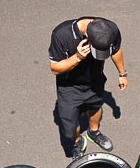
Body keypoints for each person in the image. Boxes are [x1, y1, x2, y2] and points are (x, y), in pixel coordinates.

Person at [48, 16, 128, 160]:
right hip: (69, 86)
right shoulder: (62, 35)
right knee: (69, 128)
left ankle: (94, 132)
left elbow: (116, 50)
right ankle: (78, 142)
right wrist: (77, 57)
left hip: (94, 80)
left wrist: (122, 73)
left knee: (95, 106)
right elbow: (55, 68)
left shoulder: (110, 29)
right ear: (87, 38)